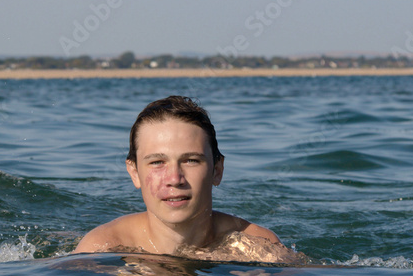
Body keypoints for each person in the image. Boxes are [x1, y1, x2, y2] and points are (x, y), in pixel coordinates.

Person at [74, 95, 301, 263]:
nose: (174, 179)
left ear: (217, 170)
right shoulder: (101, 250)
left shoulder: (256, 247)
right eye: (157, 162)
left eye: (191, 160)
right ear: (134, 173)